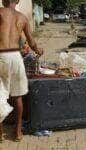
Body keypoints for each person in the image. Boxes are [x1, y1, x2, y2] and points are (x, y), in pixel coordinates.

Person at [0, 0, 43, 141]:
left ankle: (0, 133)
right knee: (18, 96)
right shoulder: (23, 17)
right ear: (18, 1)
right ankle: (18, 132)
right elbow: (31, 42)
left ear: (3, 0)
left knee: (1, 95)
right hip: (16, 57)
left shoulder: (0, 12)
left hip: (1, 56)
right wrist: (38, 50)